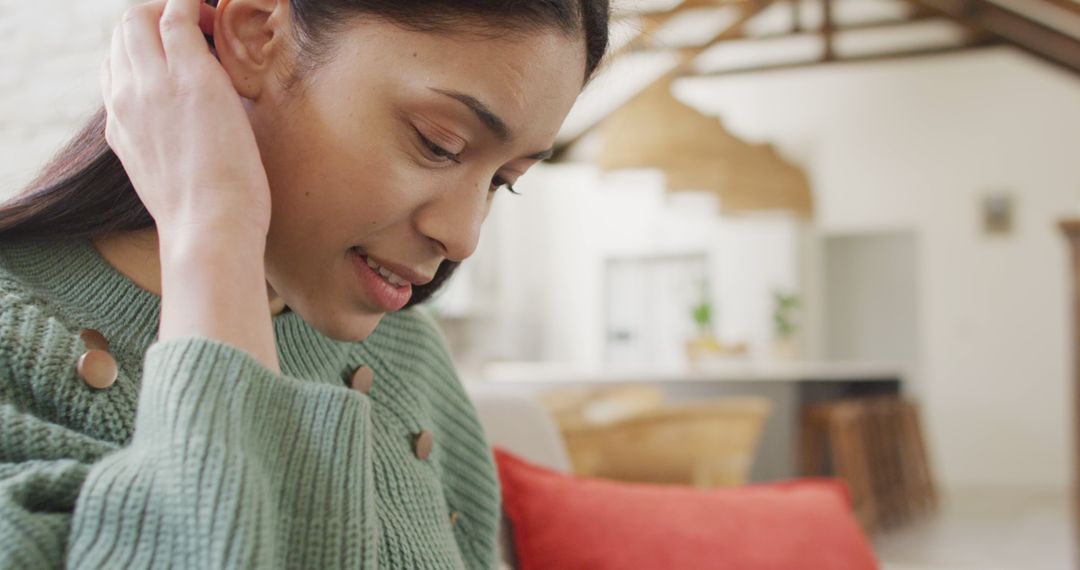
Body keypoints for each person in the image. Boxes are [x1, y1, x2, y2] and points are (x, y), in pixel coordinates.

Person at [0, 0, 609, 567]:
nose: (464, 237)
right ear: (257, 36)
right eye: (438, 144)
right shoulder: (16, 339)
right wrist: (213, 226)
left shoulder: (405, 353)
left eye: (504, 179)